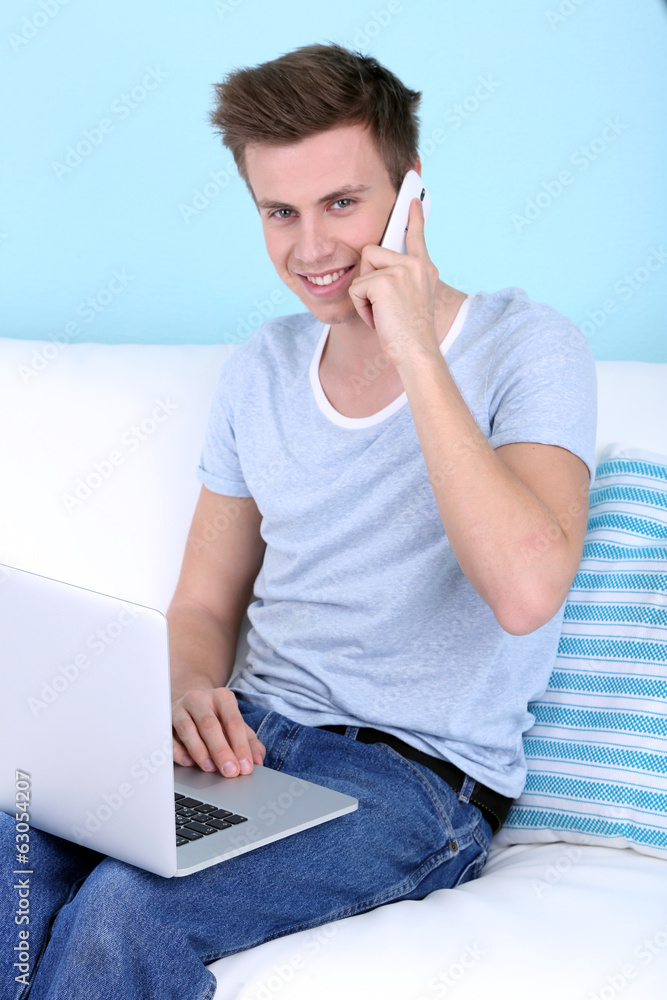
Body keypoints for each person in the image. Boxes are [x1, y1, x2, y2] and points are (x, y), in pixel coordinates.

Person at [1, 43, 597, 1000]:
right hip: (249, 742)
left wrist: (409, 342)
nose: (311, 248)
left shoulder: (530, 347)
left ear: (410, 195)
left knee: (129, 911)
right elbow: (202, 605)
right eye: (280, 212)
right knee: (7, 858)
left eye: (342, 204)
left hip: (413, 786)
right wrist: (189, 690)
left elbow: (525, 590)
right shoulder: (261, 369)